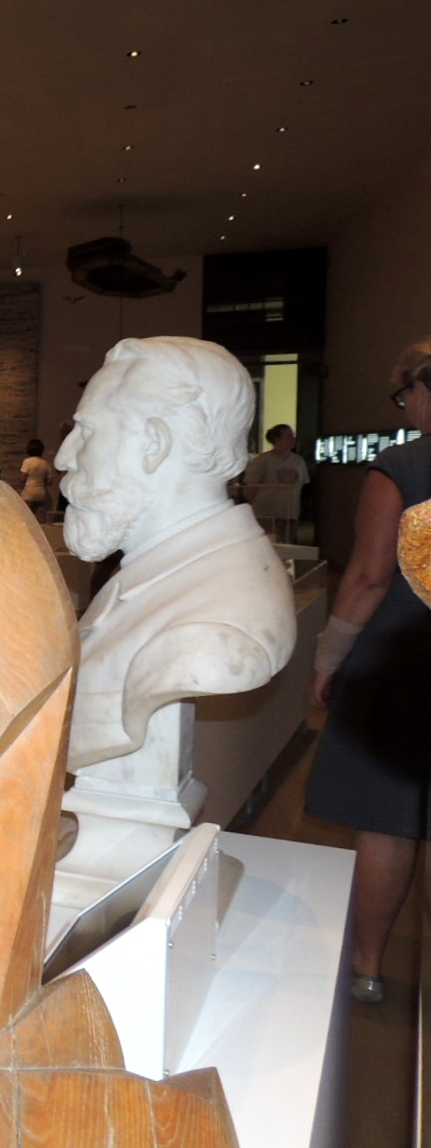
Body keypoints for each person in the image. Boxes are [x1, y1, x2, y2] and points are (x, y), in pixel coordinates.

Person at [56, 336, 295, 771]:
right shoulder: (154, 570)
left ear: (154, 443)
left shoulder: (214, 633)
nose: (63, 458)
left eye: (86, 431)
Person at [306, 342, 431, 1005]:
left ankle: (368, 968)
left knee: (388, 820)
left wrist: (327, 660)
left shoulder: (402, 466)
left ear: (423, 389)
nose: (405, 407)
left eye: (405, 395)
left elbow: (368, 576)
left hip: (403, 668)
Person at [241, 423, 309, 543]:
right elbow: (250, 488)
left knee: (288, 546)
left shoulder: (298, 461)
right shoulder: (261, 461)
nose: (293, 440)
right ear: (277, 439)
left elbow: (303, 486)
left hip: (290, 514)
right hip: (266, 514)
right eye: (288, 437)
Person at [19, 437, 53, 521]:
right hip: (41, 494)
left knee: (27, 519)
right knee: (39, 520)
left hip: (29, 493)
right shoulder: (45, 463)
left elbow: (22, 479)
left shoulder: (27, 461)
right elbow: (50, 481)